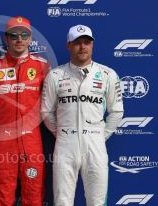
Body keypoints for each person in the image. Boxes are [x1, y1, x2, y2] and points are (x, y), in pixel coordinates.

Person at [41, 24, 124, 206]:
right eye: (77, 43)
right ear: (68, 45)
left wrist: (101, 135)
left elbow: (117, 111)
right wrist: (62, 133)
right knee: (62, 200)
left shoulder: (107, 74)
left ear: (92, 45)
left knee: (97, 201)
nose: (83, 47)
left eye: (87, 42)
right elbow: (46, 111)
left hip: (95, 143)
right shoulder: (55, 75)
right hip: (65, 144)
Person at [0, 16, 50, 206]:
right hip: (4, 141)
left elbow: (52, 104)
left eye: (24, 35)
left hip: (32, 141)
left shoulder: (42, 66)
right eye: (14, 35)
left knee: (34, 193)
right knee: (3, 194)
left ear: (30, 39)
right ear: (6, 39)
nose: (19, 39)